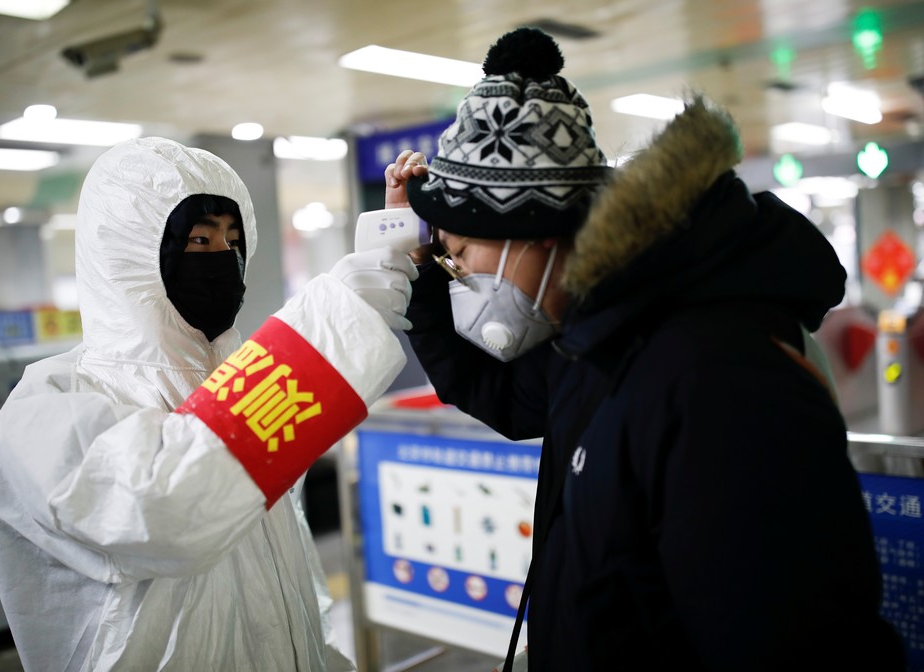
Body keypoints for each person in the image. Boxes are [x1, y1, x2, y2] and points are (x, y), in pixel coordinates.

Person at [387, 27, 907, 671]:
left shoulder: (718, 382)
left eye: (461, 254)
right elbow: (507, 399)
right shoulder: (592, 341)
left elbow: (791, 644)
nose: (458, 274)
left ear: (534, 231)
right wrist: (420, 286)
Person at [0, 136, 418, 671]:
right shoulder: (48, 408)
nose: (223, 260)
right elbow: (165, 505)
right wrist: (356, 296)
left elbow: (274, 586)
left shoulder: (228, 383)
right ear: (130, 256)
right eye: (199, 241)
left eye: (233, 240)